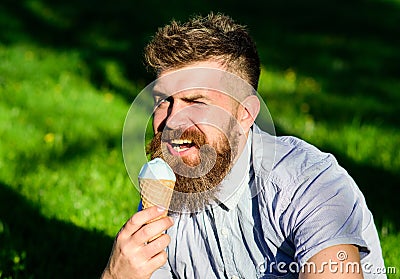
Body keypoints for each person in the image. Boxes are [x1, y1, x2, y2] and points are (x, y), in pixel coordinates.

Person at [101, 13, 386, 279]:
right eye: (164, 100)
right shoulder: (167, 192)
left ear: (245, 114)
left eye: (196, 102)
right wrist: (115, 274)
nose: (173, 120)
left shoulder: (308, 182)